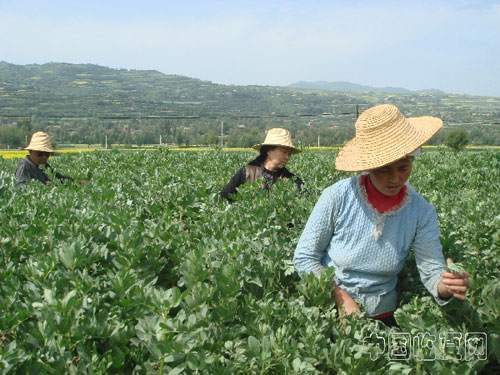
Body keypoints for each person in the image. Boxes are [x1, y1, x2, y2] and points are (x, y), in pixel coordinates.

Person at [293, 104, 469, 327]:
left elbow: (432, 271)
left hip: (385, 316)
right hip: (328, 312)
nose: (395, 178)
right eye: (384, 169)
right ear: (369, 165)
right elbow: (304, 258)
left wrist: (447, 286)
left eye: (403, 167)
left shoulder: (421, 211)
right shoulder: (337, 196)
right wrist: (340, 297)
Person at [219, 128, 303, 202]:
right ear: (269, 151)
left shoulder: (292, 180)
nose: (287, 157)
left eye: (289, 154)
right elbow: (223, 197)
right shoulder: (247, 172)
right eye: (284, 152)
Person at [14, 131, 83, 187]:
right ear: (30, 151)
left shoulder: (44, 166)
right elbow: (22, 187)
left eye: (47, 154)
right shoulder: (24, 166)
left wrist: (75, 182)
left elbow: (57, 178)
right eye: (40, 153)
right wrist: (48, 190)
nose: (44, 157)